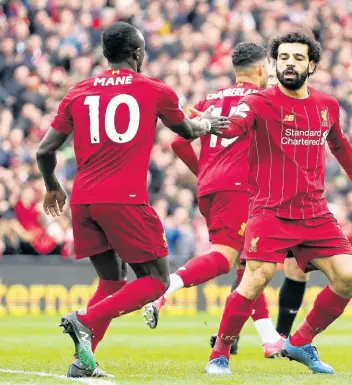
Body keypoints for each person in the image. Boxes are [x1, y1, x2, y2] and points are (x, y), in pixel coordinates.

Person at [36, 22, 226, 379]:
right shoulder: (154, 90)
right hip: (124, 200)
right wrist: (209, 125)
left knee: (111, 281)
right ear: (137, 54)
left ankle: (83, 362)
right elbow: (187, 130)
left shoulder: (79, 92)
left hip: (84, 201)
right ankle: (85, 320)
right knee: (155, 281)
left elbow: (45, 150)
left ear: (107, 54)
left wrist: (51, 186)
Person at [205, 30, 352, 375]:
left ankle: (299, 342)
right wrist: (208, 124)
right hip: (270, 210)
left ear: (311, 64)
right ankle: (220, 353)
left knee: (348, 278)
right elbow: (234, 125)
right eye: (283, 57)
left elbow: (341, 145)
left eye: (298, 58)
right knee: (256, 278)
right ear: (274, 63)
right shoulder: (259, 102)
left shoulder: (327, 105)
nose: (289, 63)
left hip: (314, 212)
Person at [143, 42, 285, 358]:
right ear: (262, 70)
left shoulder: (211, 99)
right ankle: (165, 289)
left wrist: (205, 172)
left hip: (211, 189)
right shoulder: (262, 99)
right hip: (240, 189)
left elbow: (179, 143)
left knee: (250, 262)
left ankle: (268, 337)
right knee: (225, 258)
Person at [208, 62, 310, 354]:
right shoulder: (261, 103)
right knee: (249, 266)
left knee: (296, 270)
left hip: (298, 196)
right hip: (264, 197)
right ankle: (233, 336)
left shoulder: (301, 106)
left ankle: (281, 336)